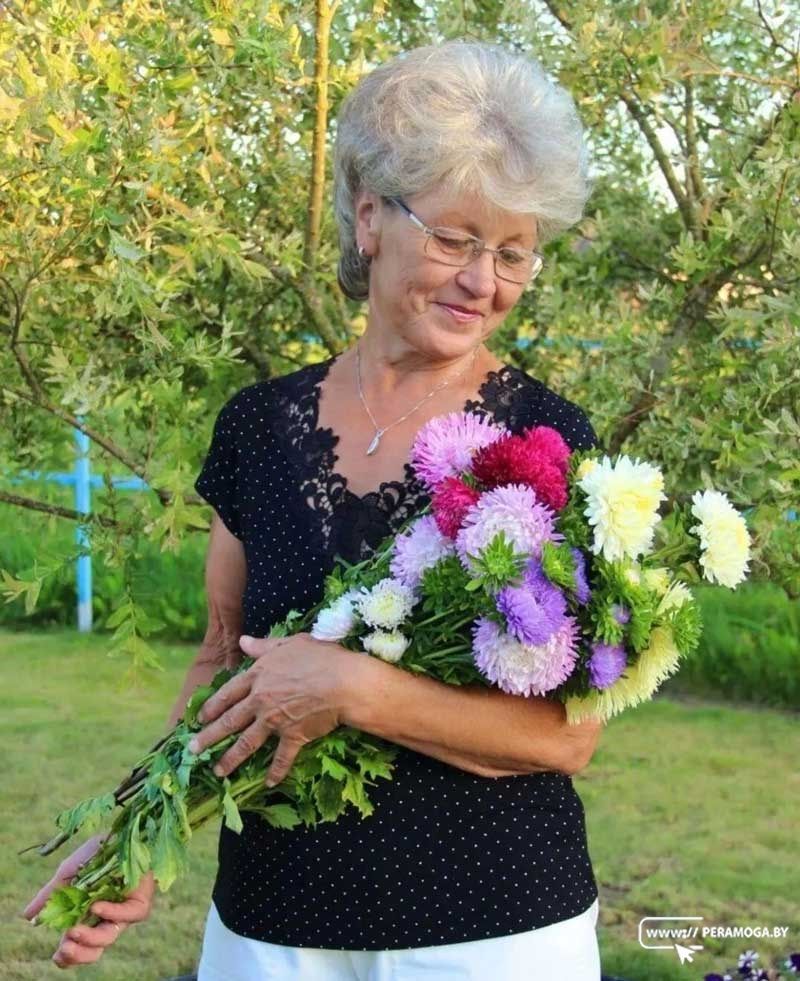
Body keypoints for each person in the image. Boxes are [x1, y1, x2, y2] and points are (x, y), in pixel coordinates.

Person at [25, 39, 605, 979]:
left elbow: (569, 734)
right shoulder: (259, 425)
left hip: (491, 929)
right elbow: (223, 657)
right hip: (270, 925)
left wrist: (353, 689)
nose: (482, 281)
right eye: (455, 240)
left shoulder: (548, 442)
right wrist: (139, 831)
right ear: (370, 216)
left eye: (512, 254)